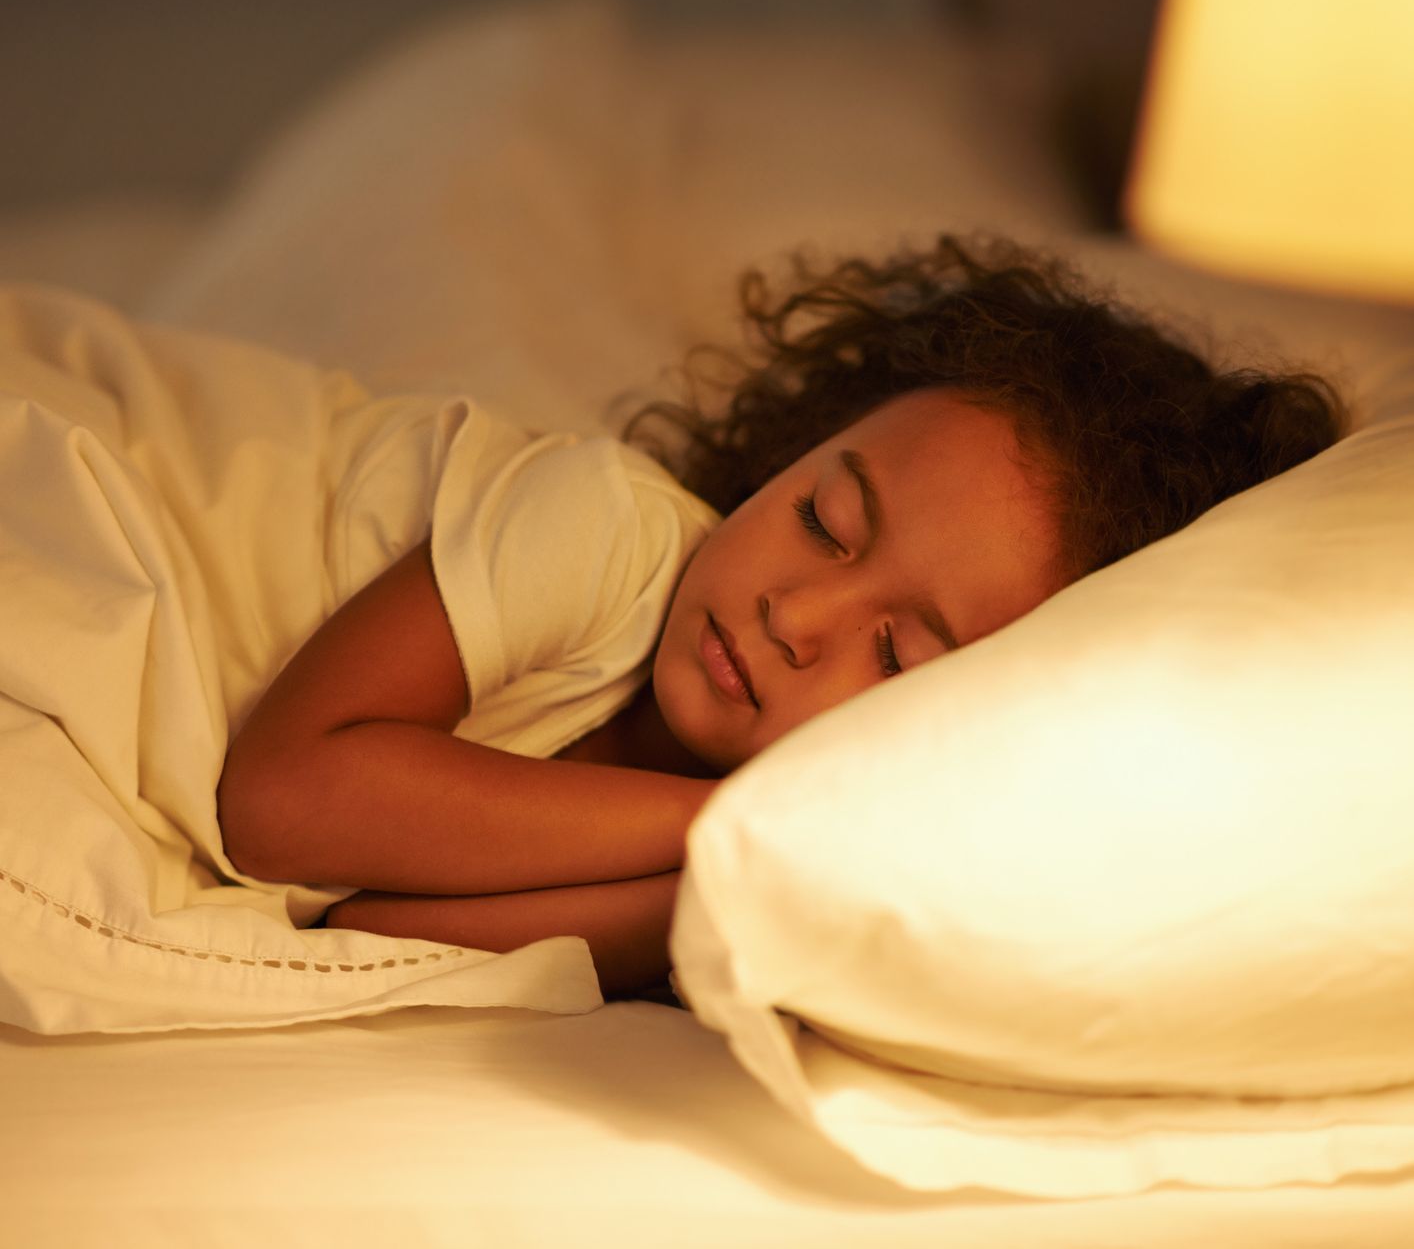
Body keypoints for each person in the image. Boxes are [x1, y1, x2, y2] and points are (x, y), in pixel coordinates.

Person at [215, 234, 1346, 997]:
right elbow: (282, 803)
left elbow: (366, 936)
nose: (798, 613)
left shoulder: (748, 850)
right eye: (824, 517)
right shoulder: (605, 530)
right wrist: (722, 822)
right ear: (790, 452)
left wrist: (724, 879)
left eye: (898, 652)